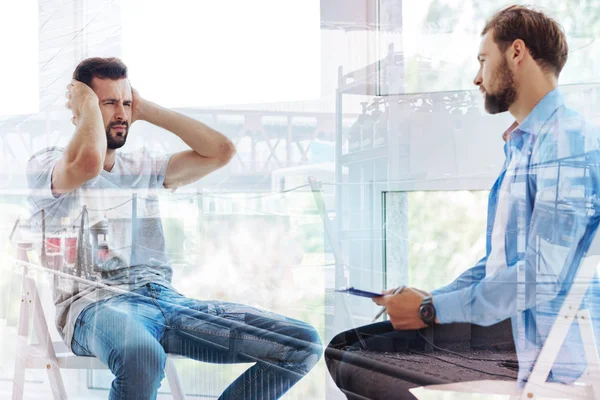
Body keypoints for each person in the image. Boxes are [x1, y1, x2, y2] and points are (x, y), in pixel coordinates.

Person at [326, 5, 600, 399]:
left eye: (483, 60)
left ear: (517, 52)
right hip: (513, 322)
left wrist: (432, 310)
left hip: (541, 342)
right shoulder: (526, 145)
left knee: (355, 362)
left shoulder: (566, 141)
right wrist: (431, 300)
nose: (476, 77)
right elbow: (498, 265)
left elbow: (541, 277)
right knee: (344, 347)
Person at [26, 57, 322, 400]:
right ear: (79, 108)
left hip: (164, 300)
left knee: (301, 343)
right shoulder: (46, 163)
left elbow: (221, 152)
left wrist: (145, 108)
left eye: (125, 102)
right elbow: (88, 164)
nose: (121, 113)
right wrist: (88, 105)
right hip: (95, 305)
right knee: (143, 357)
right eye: (108, 102)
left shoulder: (142, 166)